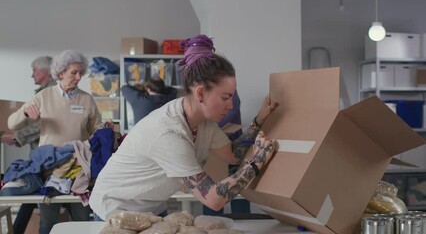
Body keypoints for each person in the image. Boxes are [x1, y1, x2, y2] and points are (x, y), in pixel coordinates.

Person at [89, 34, 279, 221]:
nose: (231, 106)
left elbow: (233, 154)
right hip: (117, 207)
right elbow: (213, 199)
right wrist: (257, 161)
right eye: (225, 97)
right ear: (201, 93)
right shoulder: (169, 133)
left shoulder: (204, 123)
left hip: (150, 207)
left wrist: (259, 120)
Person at [7, 50, 102, 234]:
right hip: (50, 173)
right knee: (48, 224)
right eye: (73, 72)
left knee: (82, 223)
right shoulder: (44, 96)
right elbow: (12, 123)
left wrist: (103, 129)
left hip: (78, 172)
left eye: (80, 73)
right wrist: (26, 113)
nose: (78, 77)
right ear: (60, 72)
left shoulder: (87, 100)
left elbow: (96, 129)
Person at [0, 56, 56, 234]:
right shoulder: (43, 92)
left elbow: (43, 125)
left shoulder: (50, 93)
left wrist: (18, 137)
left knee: (38, 195)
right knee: (33, 194)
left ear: (44, 71)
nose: (32, 75)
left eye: (34, 70)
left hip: (47, 158)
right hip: (40, 155)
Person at [202, 91, 252, 216]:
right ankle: (212, 224)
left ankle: (242, 222)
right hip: (214, 151)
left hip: (233, 146)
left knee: (238, 189)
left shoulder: (230, 92)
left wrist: (205, 124)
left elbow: (229, 113)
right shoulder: (207, 92)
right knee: (212, 191)